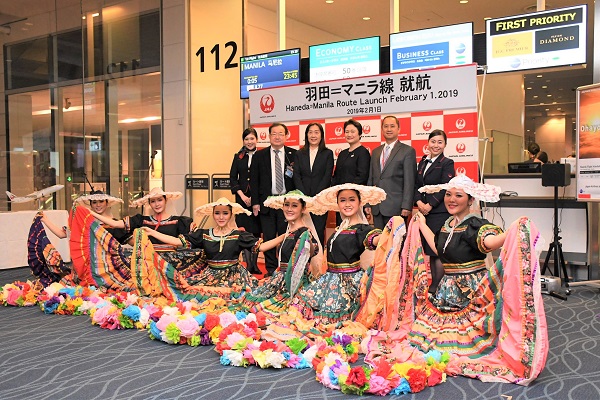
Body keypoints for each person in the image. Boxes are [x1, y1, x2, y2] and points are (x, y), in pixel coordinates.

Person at [362, 174, 548, 384]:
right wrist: (421, 224)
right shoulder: (448, 224)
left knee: (456, 342)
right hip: (446, 290)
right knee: (422, 338)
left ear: (470, 200)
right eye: (448, 195)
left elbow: (489, 242)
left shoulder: (475, 224)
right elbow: (439, 248)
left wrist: (512, 231)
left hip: (471, 292)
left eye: (458, 195)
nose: (451, 199)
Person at [143, 197, 286, 302]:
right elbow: (178, 242)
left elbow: (261, 247)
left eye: (225, 213)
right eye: (217, 213)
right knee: (194, 297)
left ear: (231, 215)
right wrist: (153, 233)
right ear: (213, 214)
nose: (221, 217)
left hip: (235, 277)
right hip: (209, 275)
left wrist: (283, 236)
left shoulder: (238, 235)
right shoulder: (204, 234)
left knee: (244, 299)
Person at [290, 183, 385, 326]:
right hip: (330, 278)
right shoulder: (339, 228)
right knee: (300, 303)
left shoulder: (361, 228)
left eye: (352, 199)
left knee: (330, 317)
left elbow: (373, 239)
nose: (347, 204)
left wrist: (388, 234)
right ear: (338, 203)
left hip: (349, 282)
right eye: (343, 200)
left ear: (359, 203)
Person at [243, 190, 323, 317]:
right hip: (280, 279)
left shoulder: (305, 233)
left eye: (294, 205)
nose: (289, 209)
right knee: (251, 300)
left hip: (292, 283)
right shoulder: (289, 233)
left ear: (303, 209)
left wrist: (309, 244)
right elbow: (262, 247)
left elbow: (312, 251)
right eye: (286, 205)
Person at [250, 123, 297, 276]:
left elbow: (297, 180)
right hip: (267, 203)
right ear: (269, 136)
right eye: (274, 134)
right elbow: (254, 181)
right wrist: (255, 202)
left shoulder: (294, 154)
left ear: (286, 136)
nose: (277, 137)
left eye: (281, 134)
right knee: (269, 237)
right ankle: (270, 269)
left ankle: (284, 268)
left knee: (286, 237)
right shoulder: (259, 155)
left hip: (286, 204)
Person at [413, 129, 455, 294]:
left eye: (440, 142)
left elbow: (446, 187)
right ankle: (435, 285)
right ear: (428, 143)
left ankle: (436, 286)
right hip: (424, 212)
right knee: (430, 250)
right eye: (433, 141)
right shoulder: (423, 162)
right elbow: (416, 185)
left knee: (438, 250)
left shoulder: (447, 162)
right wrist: (418, 203)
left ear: (445, 144)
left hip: (439, 212)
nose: (436, 145)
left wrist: (429, 205)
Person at [90, 187, 192, 247]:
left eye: (160, 200)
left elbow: (187, 242)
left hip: (173, 264)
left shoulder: (179, 221)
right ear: (149, 203)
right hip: (148, 264)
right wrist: (91, 213)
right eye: (153, 201)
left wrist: (153, 233)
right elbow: (115, 224)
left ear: (166, 200)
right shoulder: (141, 220)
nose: (157, 204)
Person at [365, 115, 417, 229]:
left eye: (392, 126)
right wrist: (368, 202)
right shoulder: (376, 152)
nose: (389, 129)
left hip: (397, 207)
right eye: (386, 126)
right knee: (379, 243)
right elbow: (371, 179)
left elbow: (410, 181)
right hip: (377, 207)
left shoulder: (407, 151)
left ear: (398, 129)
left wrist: (407, 206)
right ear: (382, 129)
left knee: (396, 243)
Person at [293, 122, 334, 245]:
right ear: (306, 135)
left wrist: (316, 197)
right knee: (303, 230)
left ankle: (318, 259)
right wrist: (304, 196)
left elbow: (327, 176)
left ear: (321, 135)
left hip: (320, 200)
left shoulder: (327, 153)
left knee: (318, 230)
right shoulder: (299, 153)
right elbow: (297, 175)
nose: (313, 135)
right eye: (310, 132)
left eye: (316, 132)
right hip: (303, 199)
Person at [229, 127, 261, 273]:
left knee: (255, 232)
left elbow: (263, 179)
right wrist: (242, 195)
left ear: (256, 139)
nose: (249, 142)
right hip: (241, 201)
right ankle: (248, 264)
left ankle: (254, 264)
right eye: (246, 139)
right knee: (244, 231)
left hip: (257, 201)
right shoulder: (238, 157)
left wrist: (254, 199)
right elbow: (232, 178)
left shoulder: (262, 155)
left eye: (252, 138)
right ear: (243, 141)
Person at [331, 119, 371, 225]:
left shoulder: (363, 152)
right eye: (347, 132)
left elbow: (362, 176)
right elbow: (336, 176)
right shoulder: (342, 154)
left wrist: (348, 192)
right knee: (341, 228)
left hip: (354, 199)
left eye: (353, 131)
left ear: (360, 134)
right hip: (341, 200)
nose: (349, 134)